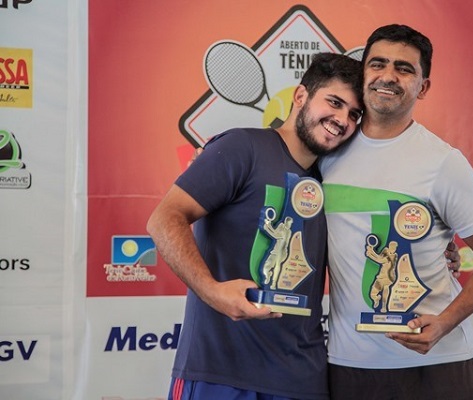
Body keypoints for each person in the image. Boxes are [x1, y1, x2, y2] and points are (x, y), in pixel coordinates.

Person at [146, 52, 364, 400]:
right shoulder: (241, 147)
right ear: (301, 96)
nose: (342, 120)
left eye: (354, 114)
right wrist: (213, 291)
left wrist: (443, 253)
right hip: (220, 374)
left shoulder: (336, 180)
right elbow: (164, 219)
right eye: (335, 103)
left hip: (302, 381)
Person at [320, 24, 473, 399]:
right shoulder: (327, 152)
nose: (388, 76)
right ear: (363, 75)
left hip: (439, 365)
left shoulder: (442, 161)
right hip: (349, 365)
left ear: (423, 87)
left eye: (404, 68)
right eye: (378, 64)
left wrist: (445, 322)